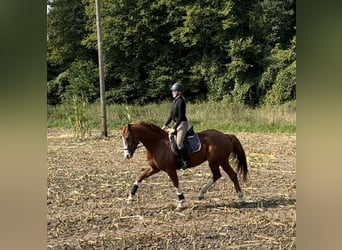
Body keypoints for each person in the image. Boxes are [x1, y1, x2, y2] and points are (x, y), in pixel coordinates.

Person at [162, 82, 190, 169]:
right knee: (169, 140)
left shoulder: (181, 101)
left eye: (174, 91)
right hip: (176, 123)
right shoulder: (174, 101)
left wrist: (174, 128)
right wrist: (165, 125)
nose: (172, 92)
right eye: (172, 91)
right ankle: (176, 159)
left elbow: (181, 117)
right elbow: (171, 115)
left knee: (179, 144)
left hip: (182, 124)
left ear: (179, 92)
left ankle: (186, 161)